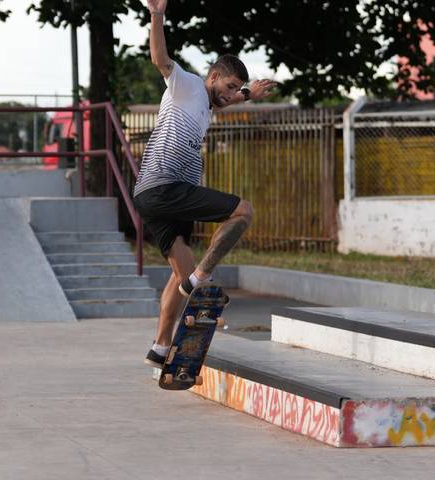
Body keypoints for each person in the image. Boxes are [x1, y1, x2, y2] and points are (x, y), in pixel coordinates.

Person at [134, 0, 277, 368]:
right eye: (229, 86)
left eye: (237, 89)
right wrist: (157, 15)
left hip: (150, 195)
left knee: (178, 276)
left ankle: (159, 348)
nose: (231, 94)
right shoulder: (187, 84)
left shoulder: (207, 102)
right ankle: (202, 278)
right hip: (167, 186)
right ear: (213, 76)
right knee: (242, 211)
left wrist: (249, 95)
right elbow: (159, 59)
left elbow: (223, 102)